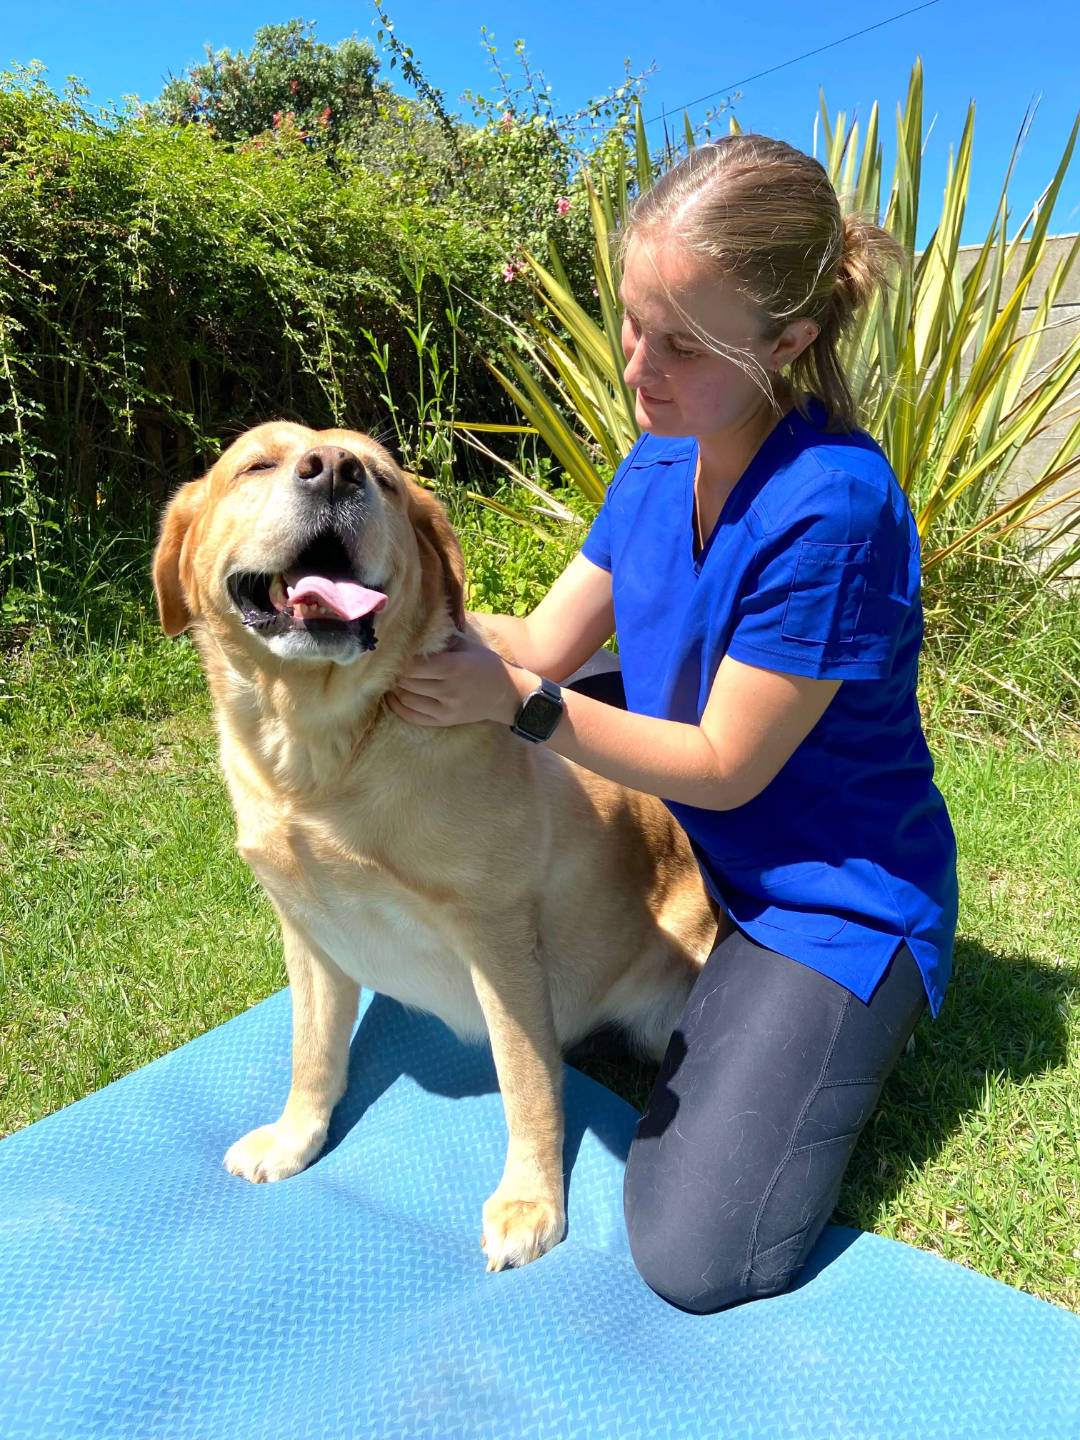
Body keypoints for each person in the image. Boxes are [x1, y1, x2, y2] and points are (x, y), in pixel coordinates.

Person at [386, 134, 958, 1314]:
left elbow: (723, 765)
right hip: (690, 846)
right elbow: (546, 642)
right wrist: (387, 615)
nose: (639, 366)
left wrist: (523, 707)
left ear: (787, 343)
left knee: (697, 1253)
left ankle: (847, 1020)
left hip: (828, 898)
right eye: (632, 322)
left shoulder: (834, 506)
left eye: (683, 344)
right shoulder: (663, 455)